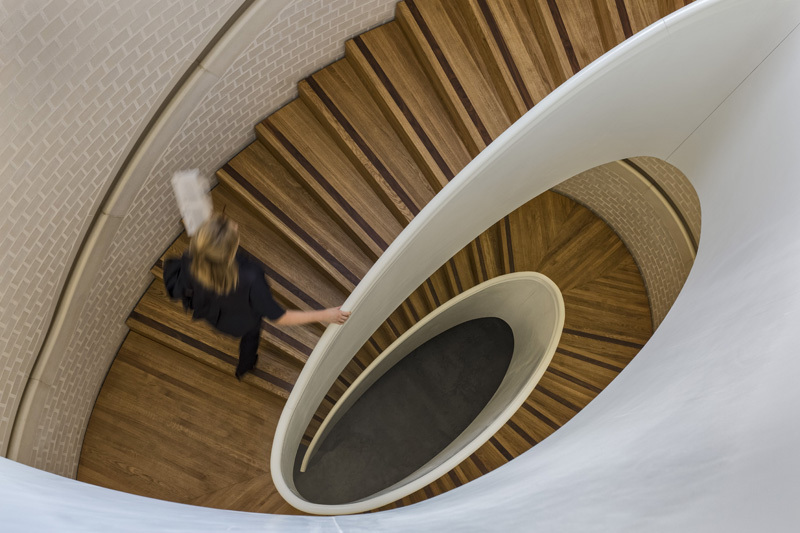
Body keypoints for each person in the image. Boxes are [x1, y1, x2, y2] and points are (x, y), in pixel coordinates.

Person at [164, 214, 350, 380]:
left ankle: (245, 368)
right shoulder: (250, 278)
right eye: (233, 230)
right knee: (250, 339)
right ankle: (245, 367)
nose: (236, 225)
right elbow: (279, 317)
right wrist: (325, 315)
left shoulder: (193, 257)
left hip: (215, 315)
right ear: (229, 255)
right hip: (242, 321)